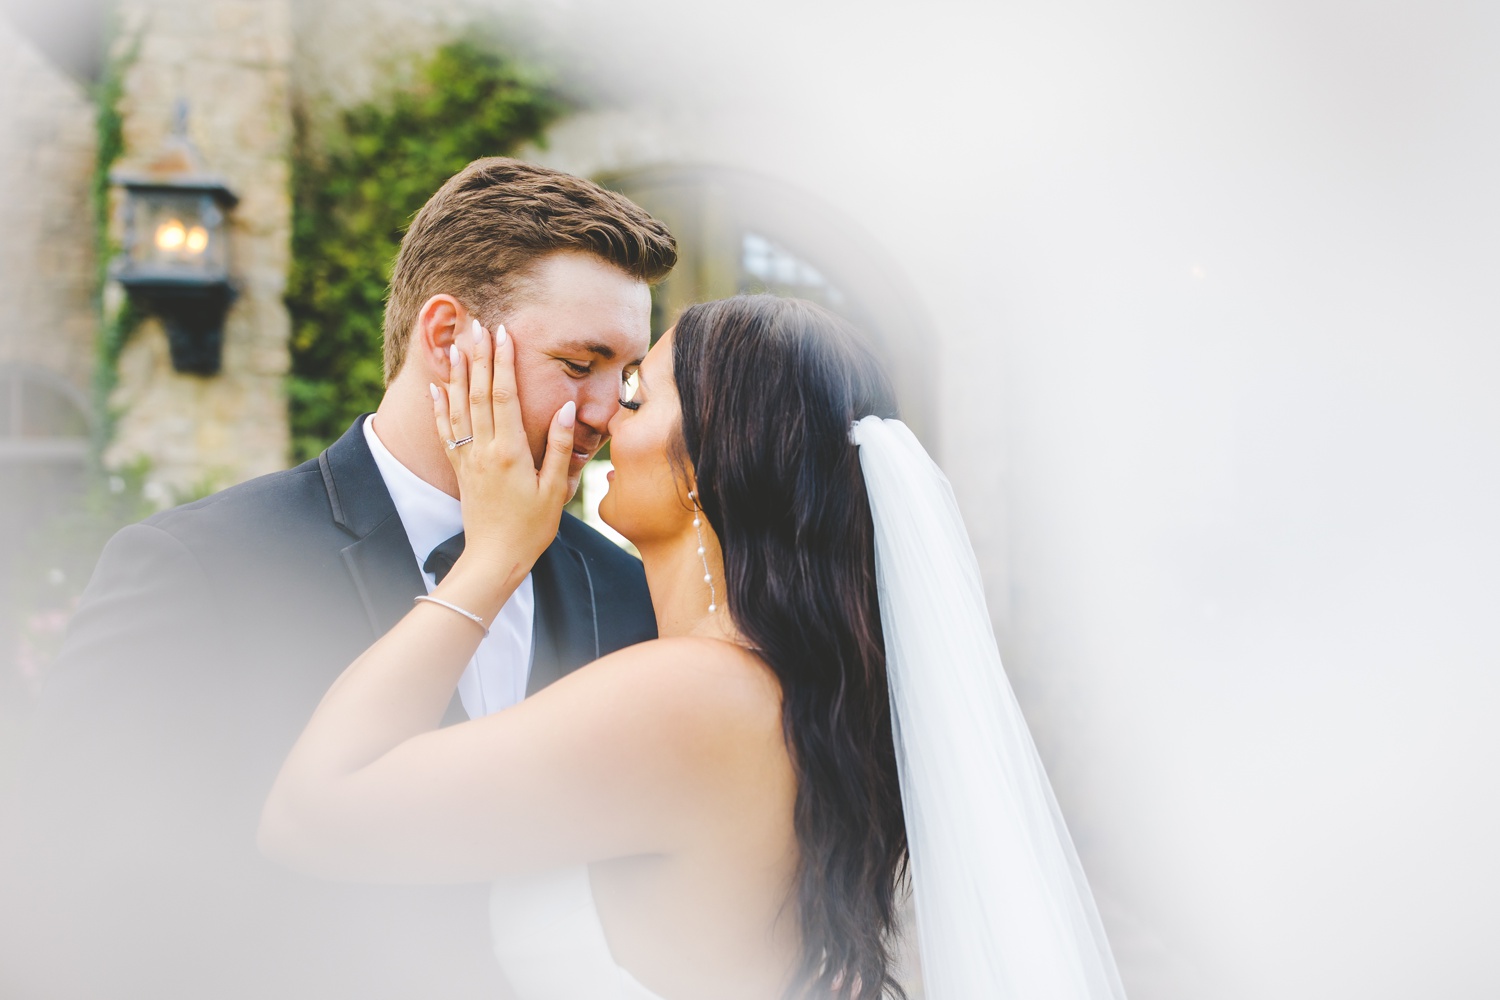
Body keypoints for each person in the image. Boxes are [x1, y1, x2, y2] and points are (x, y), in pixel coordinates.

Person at [260, 295, 1130, 999]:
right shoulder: (792, 693)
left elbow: (310, 815)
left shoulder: (691, 698)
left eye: (636, 396)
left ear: (704, 466)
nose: (599, 417)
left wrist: (493, 558)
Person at [0, 158, 676, 1000]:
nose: (611, 413)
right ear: (444, 338)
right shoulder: (198, 568)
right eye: (580, 364)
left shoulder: (628, 590)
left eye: (629, 376)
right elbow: (71, 893)